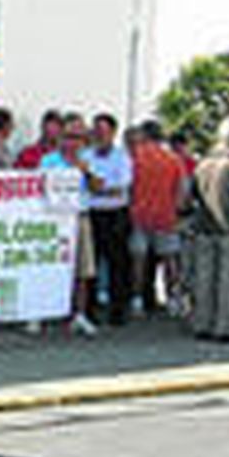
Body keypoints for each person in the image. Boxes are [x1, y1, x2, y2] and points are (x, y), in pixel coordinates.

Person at [189, 117, 229, 343]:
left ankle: (202, 323)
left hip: (204, 225)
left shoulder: (203, 163)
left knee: (204, 278)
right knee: (228, 280)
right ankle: (225, 327)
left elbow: (193, 195)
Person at [40, 118, 100, 337]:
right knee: (50, 266)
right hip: (54, 218)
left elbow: (97, 187)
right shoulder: (49, 160)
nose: (73, 143)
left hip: (79, 216)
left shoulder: (88, 159)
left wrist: (85, 171)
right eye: (68, 137)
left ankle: (79, 314)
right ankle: (42, 313)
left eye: (78, 138)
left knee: (82, 270)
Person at [128, 120, 188, 316]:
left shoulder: (136, 157)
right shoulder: (173, 159)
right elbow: (181, 190)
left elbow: (128, 186)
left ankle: (136, 300)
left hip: (139, 214)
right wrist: (177, 209)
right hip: (166, 215)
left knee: (139, 260)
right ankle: (172, 300)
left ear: (144, 135)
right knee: (170, 260)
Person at [84, 113, 134, 326]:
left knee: (118, 265)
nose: (99, 135)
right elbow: (83, 186)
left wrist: (96, 186)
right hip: (92, 214)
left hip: (115, 215)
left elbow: (120, 187)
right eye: (96, 131)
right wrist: (99, 187)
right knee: (90, 264)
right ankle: (90, 309)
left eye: (103, 131)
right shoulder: (86, 155)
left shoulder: (122, 157)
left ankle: (117, 310)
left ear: (113, 133)